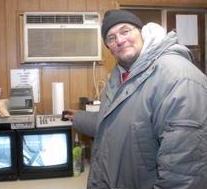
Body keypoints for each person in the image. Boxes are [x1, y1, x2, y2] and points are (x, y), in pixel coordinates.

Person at [64, 9, 207, 189]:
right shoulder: (121, 75)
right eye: (111, 38)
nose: (120, 40)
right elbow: (121, 125)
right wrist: (79, 118)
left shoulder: (178, 78)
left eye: (125, 31)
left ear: (143, 32)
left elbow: (185, 172)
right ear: (109, 48)